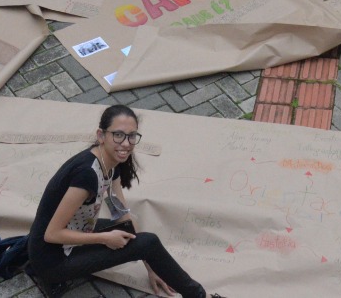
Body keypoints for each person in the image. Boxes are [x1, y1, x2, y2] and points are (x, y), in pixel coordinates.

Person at [24, 105, 225, 298]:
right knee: (150, 241)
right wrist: (105, 238)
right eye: (118, 135)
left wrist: (153, 265)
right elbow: (52, 234)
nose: (126, 143)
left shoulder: (111, 163)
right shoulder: (86, 175)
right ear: (101, 135)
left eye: (132, 136)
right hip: (52, 261)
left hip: (76, 234)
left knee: (139, 237)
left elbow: (121, 214)